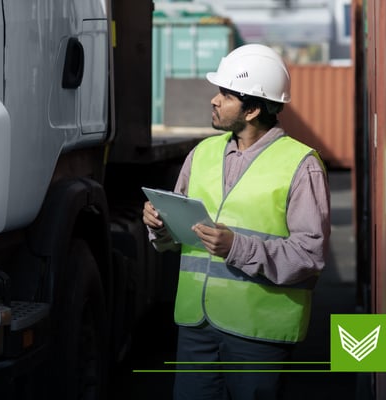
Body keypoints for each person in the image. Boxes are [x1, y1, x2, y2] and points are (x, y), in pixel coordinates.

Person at [142, 43, 330, 400]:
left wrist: (236, 247)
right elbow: (175, 240)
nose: (214, 100)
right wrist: (159, 225)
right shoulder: (202, 154)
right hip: (196, 327)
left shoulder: (301, 165)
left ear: (253, 109)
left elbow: (310, 256)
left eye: (226, 95)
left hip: (259, 333)